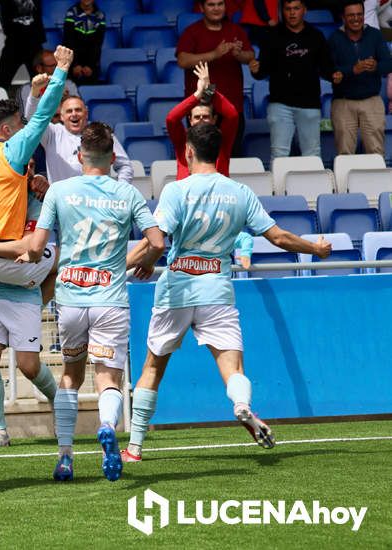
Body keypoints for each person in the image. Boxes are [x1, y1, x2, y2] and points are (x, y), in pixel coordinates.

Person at [121, 123, 333, 464]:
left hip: (177, 286)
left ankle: (134, 448)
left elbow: (153, 241)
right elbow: (278, 237)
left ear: (188, 151)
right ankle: (242, 406)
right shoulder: (240, 192)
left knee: (152, 367)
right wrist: (315, 247)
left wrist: (122, 268)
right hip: (217, 288)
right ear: (220, 153)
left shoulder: (177, 191)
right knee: (232, 366)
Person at [17, 121, 163, 482]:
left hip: (70, 298)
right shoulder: (126, 194)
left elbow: (36, 248)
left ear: (79, 155)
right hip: (110, 297)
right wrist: (144, 261)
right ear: (113, 157)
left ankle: (65, 456)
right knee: (108, 377)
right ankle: (108, 427)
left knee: (70, 375)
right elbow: (158, 242)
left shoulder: (59, 192)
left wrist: (22, 258)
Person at [0, 45, 76, 448]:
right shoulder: (12, 153)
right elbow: (43, 117)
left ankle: (59, 404)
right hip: (9, 267)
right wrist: (62, 70)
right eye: (21, 126)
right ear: (11, 131)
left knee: (28, 366)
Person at [249, 0, 339, 160]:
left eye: (296, 8)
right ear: (282, 11)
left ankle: (312, 186)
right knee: (279, 154)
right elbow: (263, 71)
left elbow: (326, 67)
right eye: (288, 9)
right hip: (280, 104)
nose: (292, 13)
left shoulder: (315, 36)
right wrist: (256, 70)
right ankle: (279, 187)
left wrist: (334, 75)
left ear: (304, 10)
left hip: (309, 104)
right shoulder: (272, 36)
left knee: (312, 154)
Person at [177, 0, 254, 154]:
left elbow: (250, 56)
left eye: (220, 4)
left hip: (232, 107)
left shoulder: (235, 30)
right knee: (200, 155)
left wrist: (239, 54)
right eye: (211, 5)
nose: (216, 8)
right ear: (201, 7)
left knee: (232, 156)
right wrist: (214, 54)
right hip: (201, 110)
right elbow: (183, 60)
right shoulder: (192, 32)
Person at [24, 93, 134, 184]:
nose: (74, 114)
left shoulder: (101, 132)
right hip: (63, 204)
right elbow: (32, 119)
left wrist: (121, 189)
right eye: (69, 111)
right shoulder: (52, 134)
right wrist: (34, 94)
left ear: (86, 113)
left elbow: (125, 165)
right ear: (61, 116)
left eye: (78, 110)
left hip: (95, 202)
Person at [329, 0, 392, 156]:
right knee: (344, 154)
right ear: (343, 17)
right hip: (343, 102)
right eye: (351, 15)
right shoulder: (334, 38)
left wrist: (376, 66)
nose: (356, 19)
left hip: (371, 101)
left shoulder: (375, 35)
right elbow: (328, 70)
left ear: (364, 15)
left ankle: (377, 181)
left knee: (376, 153)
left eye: (359, 14)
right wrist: (352, 70)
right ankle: (345, 182)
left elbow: (388, 64)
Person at [168, 62, 238, 179]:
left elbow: (233, 115)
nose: (201, 120)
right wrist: (197, 95)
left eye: (205, 117)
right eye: (197, 117)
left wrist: (210, 90)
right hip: (187, 195)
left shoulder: (221, 139)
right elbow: (171, 119)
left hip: (218, 194)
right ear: (190, 120)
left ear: (214, 119)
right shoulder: (183, 140)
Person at [0, 0, 46, 89]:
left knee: (41, 82)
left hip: (34, 43)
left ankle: (43, 102)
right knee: (1, 83)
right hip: (13, 43)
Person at [62, 0, 107, 85]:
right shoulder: (71, 13)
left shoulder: (100, 15)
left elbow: (98, 43)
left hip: (92, 64)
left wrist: (91, 66)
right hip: (73, 62)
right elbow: (68, 41)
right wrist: (74, 64)